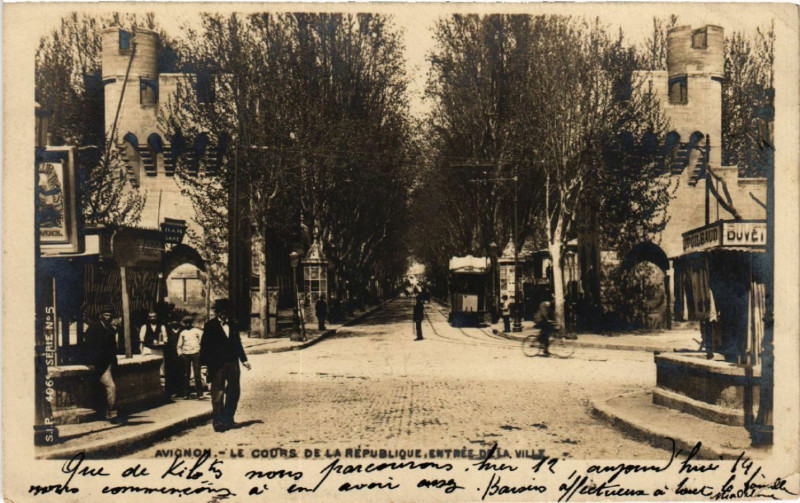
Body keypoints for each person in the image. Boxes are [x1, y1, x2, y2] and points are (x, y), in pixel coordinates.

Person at [200, 299, 251, 432]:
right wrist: (204, 365)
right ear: (217, 312)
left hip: (232, 363)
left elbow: (237, 343)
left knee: (234, 391)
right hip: (216, 364)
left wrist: (244, 360)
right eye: (221, 312)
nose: (224, 315)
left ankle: (229, 419)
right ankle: (218, 421)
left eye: (226, 312)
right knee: (218, 393)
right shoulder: (210, 326)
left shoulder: (233, 325)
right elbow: (204, 346)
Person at [84, 307, 119, 421]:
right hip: (96, 364)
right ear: (101, 315)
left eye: (110, 315)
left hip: (107, 364)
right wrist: (89, 362)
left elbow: (113, 348)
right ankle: (104, 412)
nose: (108, 317)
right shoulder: (93, 328)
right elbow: (88, 346)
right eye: (106, 315)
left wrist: (114, 363)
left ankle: (112, 413)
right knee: (102, 388)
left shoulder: (110, 329)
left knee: (110, 387)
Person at [177, 315, 204, 399]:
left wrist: (200, 352)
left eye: (189, 323)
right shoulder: (183, 333)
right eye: (186, 323)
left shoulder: (197, 331)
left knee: (197, 374)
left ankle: (200, 394)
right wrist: (180, 354)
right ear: (184, 324)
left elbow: (202, 342)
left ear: (191, 323)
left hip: (196, 353)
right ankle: (186, 393)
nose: (187, 324)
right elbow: (179, 345)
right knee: (186, 374)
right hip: (185, 354)